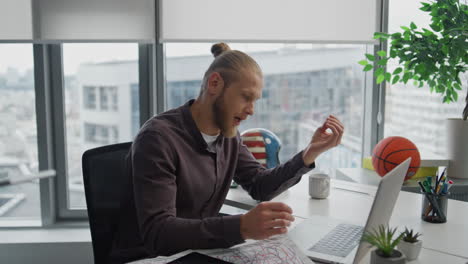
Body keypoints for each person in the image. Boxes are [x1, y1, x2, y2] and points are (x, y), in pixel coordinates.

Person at [110, 43, 344, 263]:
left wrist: (309, 154)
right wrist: (241, 226)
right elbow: (158, 235)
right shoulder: (158, 139)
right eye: (246, 97)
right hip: (152, 257)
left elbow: (260, 185)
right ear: (214, 84)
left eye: (255, 101)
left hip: (198, 250)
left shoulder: (228, 135)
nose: (251, 110)